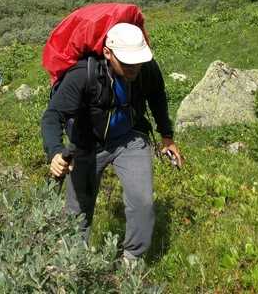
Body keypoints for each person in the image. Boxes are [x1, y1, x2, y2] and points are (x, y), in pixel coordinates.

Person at [40, 23, 183, 262]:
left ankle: (132, 260)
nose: (134, 67)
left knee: (142, 201)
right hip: (85, 145)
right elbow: (52, 116)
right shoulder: (82, 75)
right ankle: (74, 262)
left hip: (130, 137)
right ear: (107, 53)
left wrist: (166, 137)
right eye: (126, 63)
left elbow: (157, 96)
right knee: (79, 211)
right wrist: (55, 152)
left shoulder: (145, 68)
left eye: (137, 61)